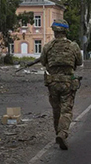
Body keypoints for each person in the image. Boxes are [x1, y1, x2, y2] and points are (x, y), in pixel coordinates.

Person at [26, 19, 83, 150]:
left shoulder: (47, 46)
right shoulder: (73, 46)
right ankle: (62, 133)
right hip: (68, 82)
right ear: (65, 31)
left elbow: (43, 62)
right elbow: (79, 62)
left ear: (54, 31)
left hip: (52, 83)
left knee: (56, 110)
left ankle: (58, 133)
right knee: (66, 110)